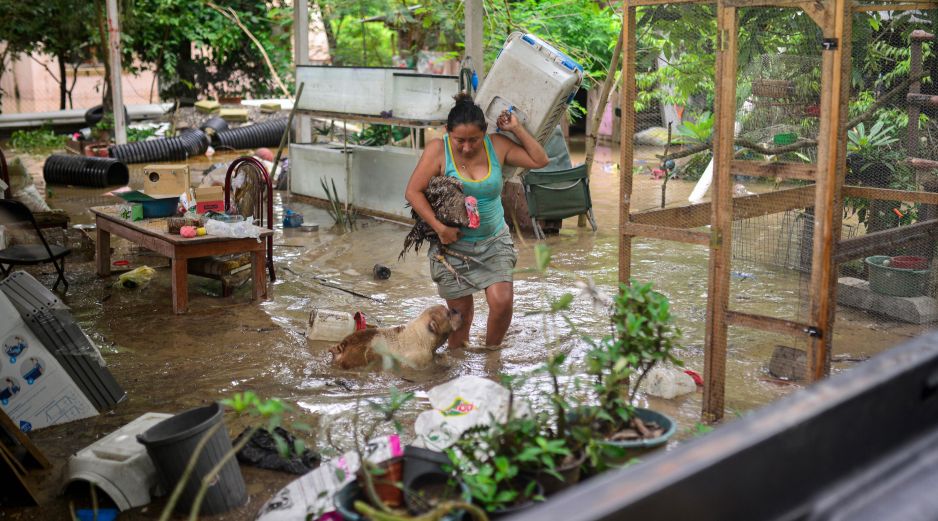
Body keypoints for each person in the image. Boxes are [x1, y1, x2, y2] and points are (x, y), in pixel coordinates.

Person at [405, 93, 549, 348]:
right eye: (460, 140)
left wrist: (517, 128)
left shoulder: (498, 145)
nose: (467, 147)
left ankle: (492, 357)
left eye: (474, 139)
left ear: (485, 132)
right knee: (462, 323)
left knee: (502, 303)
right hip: (452, 250)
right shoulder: (438, 150)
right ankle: (460, 374)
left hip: (494, 241)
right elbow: (413, 192)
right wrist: (440, 229)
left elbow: (540, 160)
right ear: (448, 132)